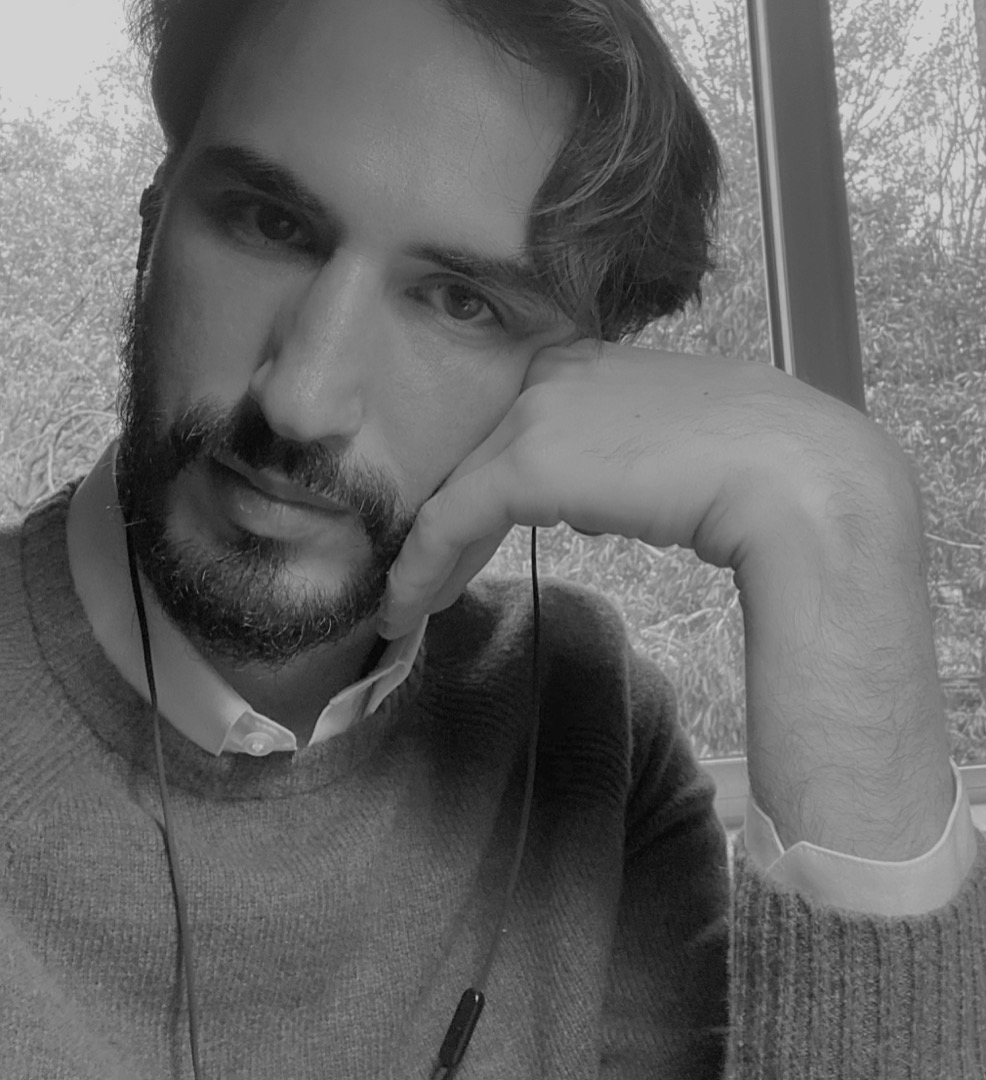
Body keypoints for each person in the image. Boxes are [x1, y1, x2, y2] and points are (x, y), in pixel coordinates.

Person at [1, 0, 984, 1076]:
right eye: (267, 223)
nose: (300, 400)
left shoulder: (591, 736)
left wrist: (839, 529)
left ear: (576, 388)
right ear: (154, 221)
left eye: (458, 301)